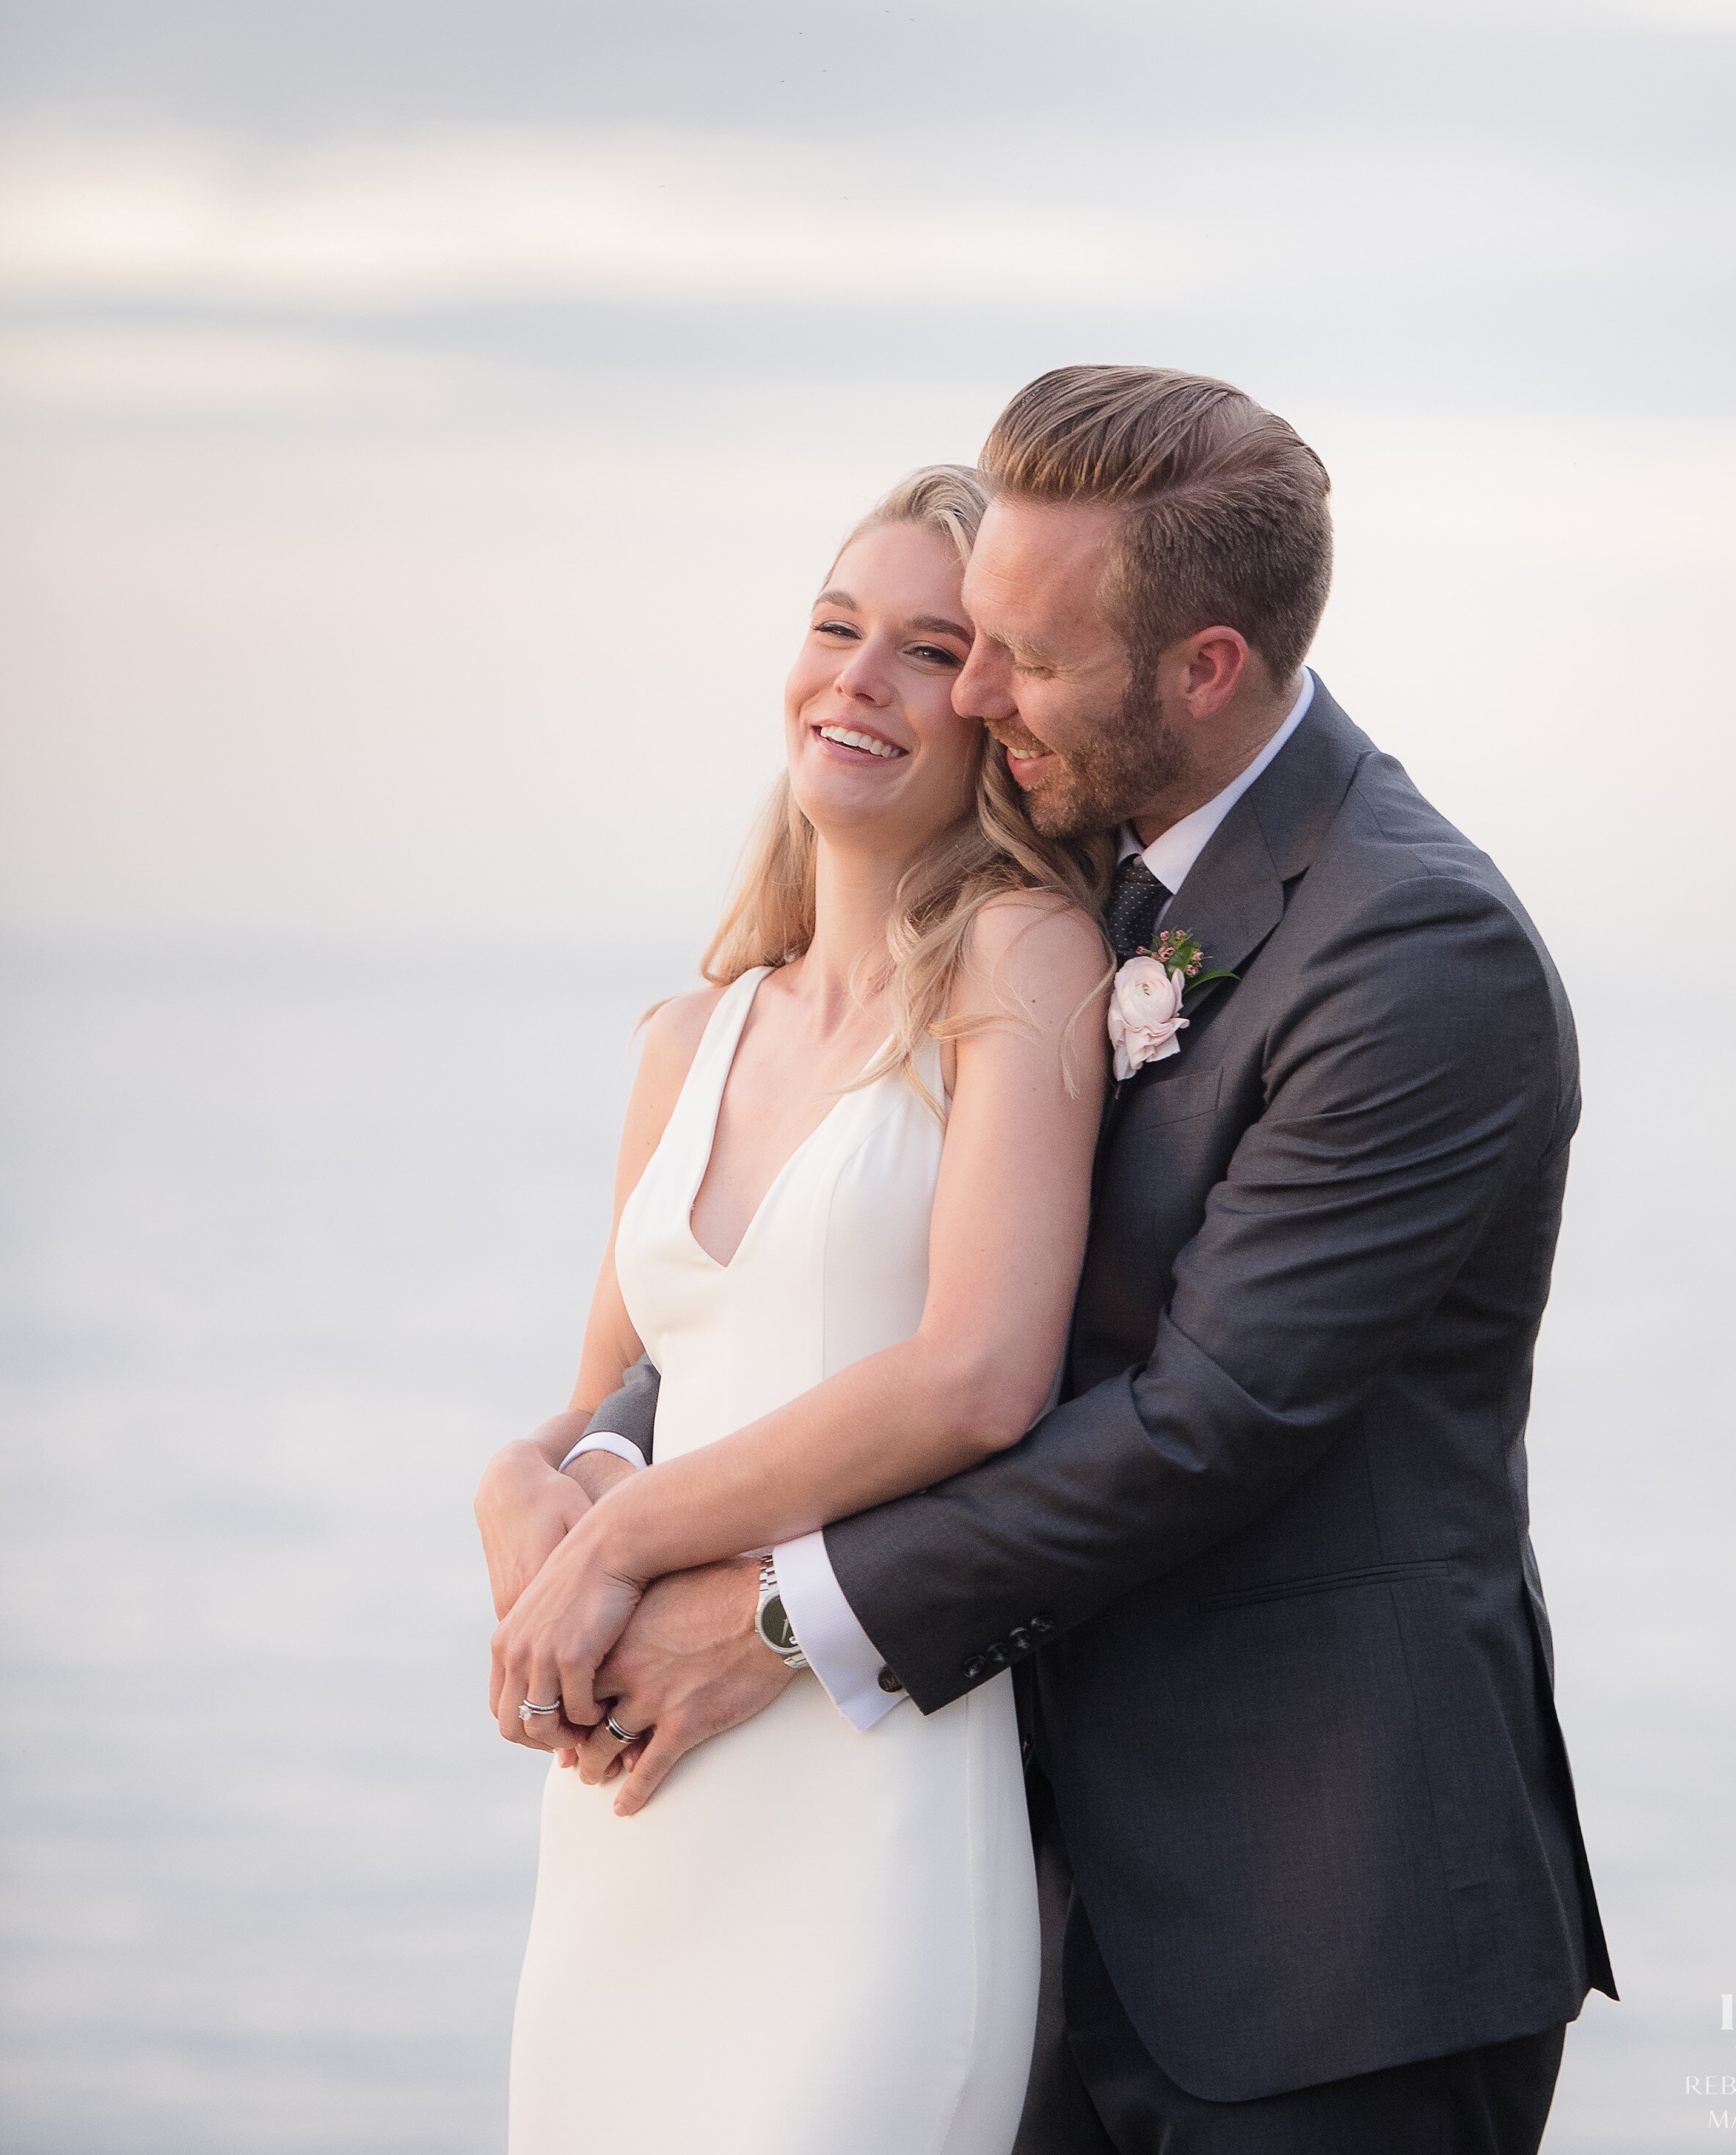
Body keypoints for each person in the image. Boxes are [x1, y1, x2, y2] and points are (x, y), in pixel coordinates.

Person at [519, 363, 1616, 2154]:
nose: (975, 691)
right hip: (1011, 1877)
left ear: (1204, 669)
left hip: (1323, 1924)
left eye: (1019, 656)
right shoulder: (1066, 875)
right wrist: (591, 1452)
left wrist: (784, 1616)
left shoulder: (1414, 952)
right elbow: (847, 1262)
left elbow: (1205, 1422)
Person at [475, 462, 1112, 2155]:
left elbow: (976, 1379)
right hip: (634, 1819)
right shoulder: (690, 1037)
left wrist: (619, 1550)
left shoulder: (1017, 965)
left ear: (993, 710)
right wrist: (520, 1485)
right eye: (835, 629)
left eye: (926, 649)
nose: (859, 679)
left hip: (868, 1793)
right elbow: (614, 1394)